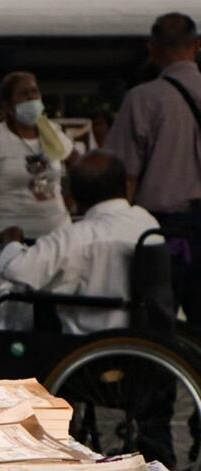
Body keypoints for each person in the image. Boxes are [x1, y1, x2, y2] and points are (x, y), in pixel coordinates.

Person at [0, 151, 159, 335]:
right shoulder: (147, 222)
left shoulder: (75, 238)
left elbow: (18, 271)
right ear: (126, 185)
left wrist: (12, 242)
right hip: (150, 337)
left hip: (89, 342)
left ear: (74, 197)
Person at [103, 12, 201, 320]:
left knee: (158, 322)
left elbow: (123, 176)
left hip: (163, 231)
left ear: (152, 48)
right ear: (197, 45)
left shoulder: (143, 99)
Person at [0, 71, 78, 241]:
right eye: (23, 94)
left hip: (57, 234)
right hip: (13, 237)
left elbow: (79, 165)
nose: (31, 98)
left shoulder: (51, 131)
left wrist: (71, 201)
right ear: (8, 104)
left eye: (35, 92)